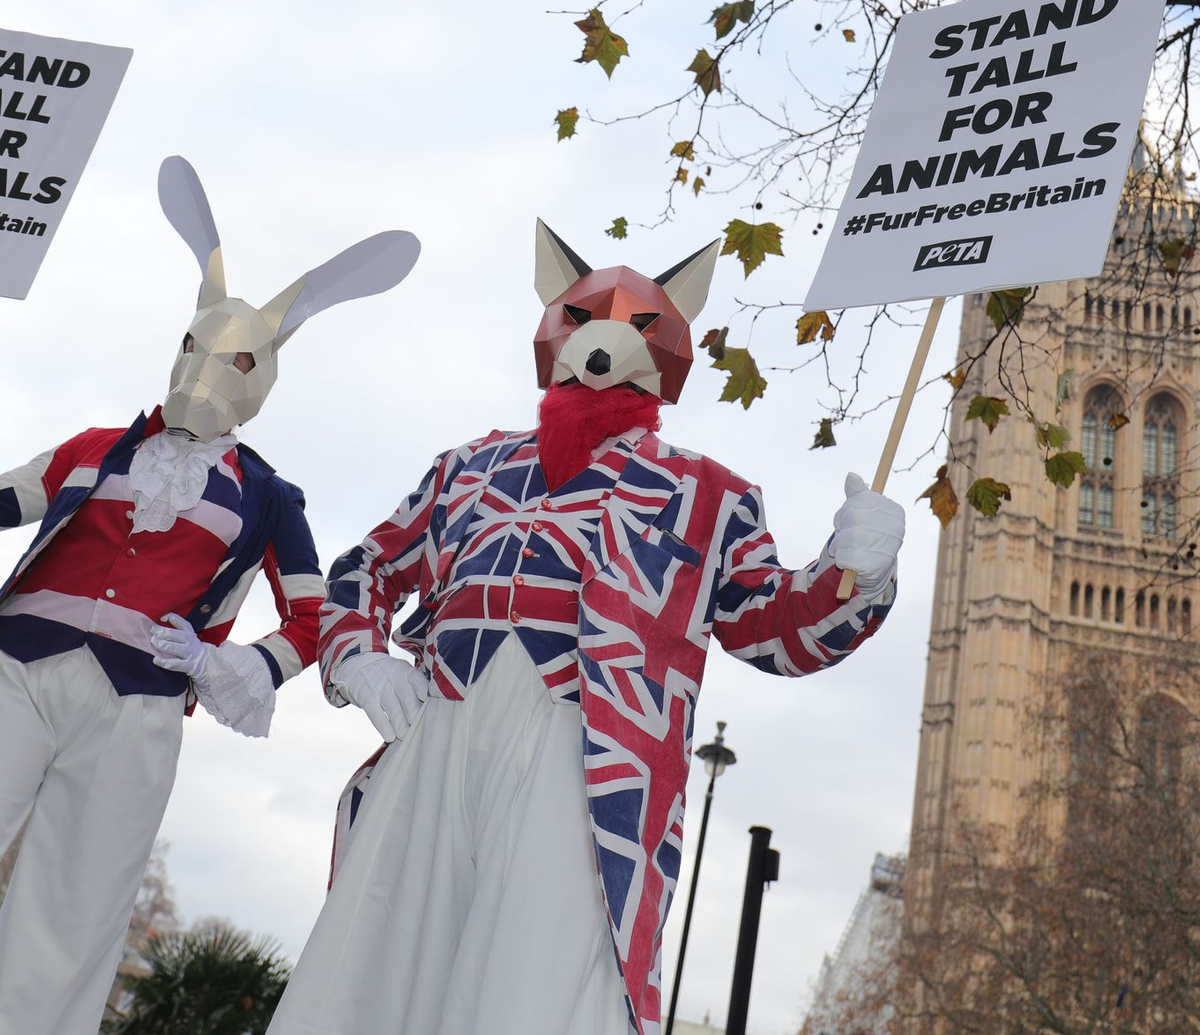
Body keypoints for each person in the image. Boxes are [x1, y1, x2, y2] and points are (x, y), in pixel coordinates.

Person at [268, 222, 905, 1035]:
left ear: (669, 346)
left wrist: (858, 572)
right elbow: (367, 567)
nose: (603, 342)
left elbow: (774, 627)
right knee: (370, 975)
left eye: (640, 325)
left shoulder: (708, 494)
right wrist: (359, 658)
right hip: (437, 729)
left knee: (537, 989)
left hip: (591, 757)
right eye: (578, 315)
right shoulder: (469, 466)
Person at [0, 156, 418, 1035]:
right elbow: (13, 496)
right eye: (194, 346)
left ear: (262, 372)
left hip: (138, 707)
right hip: (18, 668)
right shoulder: (94, 447)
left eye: (229, 359)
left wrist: (225, 660)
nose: (201, 373)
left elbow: (310, 618)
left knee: (75, 915)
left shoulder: (268, 497)